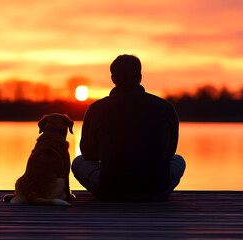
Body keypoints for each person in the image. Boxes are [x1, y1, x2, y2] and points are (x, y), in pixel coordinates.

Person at [72, 54, 186, 201]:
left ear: (113, 78)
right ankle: (155, 190)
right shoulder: (165, 107)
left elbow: (87, 154)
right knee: (178, 160)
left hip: (111, 191)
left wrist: (113, 155)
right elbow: (170, 152)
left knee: (78, 162)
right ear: (139, 77)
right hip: (156, 191)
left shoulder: (96, 108)